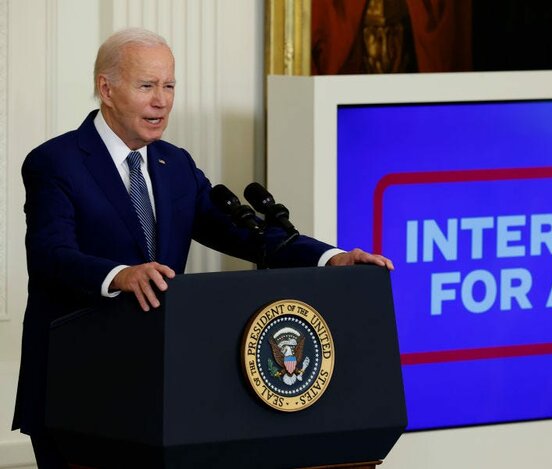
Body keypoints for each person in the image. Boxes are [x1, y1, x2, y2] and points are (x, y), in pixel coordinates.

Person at [12, 28, 393, 467]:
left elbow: (244, 233)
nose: (162, 101)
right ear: (107, 89)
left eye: (169, 86)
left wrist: (331, 257)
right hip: (77, 389)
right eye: (147, 86)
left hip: (158, 394)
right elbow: (50, 255)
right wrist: (120, 275)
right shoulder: (56, 162)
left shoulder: (174, 164)